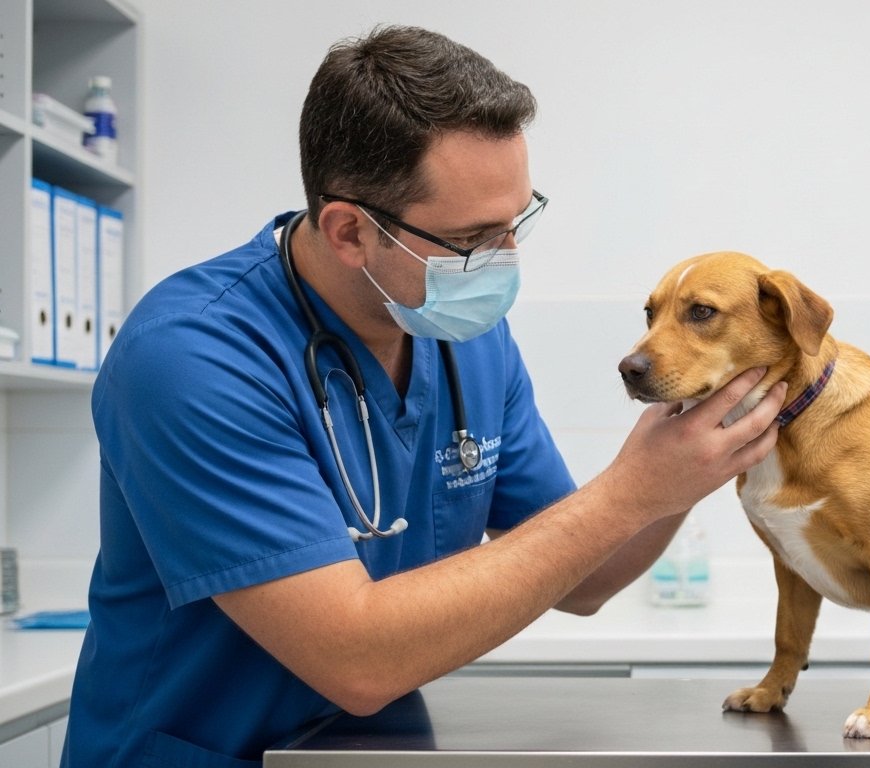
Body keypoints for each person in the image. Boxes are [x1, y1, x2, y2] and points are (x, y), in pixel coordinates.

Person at [63, 25, 785, 767]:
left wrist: (702, 453)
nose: (503, 262)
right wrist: (631, 493)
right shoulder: (192, 357)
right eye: (473, 239)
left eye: (515, 224)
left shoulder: (467, 339)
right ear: (349, 231)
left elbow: (587, 575)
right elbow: (357, 660)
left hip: (357, 753)